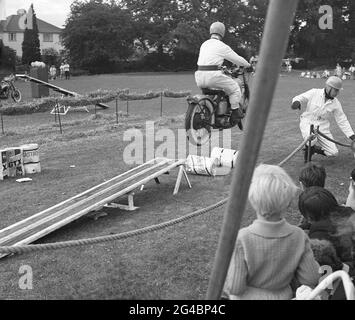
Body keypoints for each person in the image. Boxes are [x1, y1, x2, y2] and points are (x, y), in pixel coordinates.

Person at [222, 164, 320, 300]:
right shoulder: (299, 236)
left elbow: (235, 287)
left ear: (252, 199)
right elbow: (311, 278)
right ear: (287, 202)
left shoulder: (243, 238)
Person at [195, 21, 251, 124]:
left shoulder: (204, 44)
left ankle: (215, 110)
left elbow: (208, 60)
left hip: (199, 76)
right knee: (234, 88)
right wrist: (248, 65)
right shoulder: (221, 46)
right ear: (222, 33)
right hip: (212, 75)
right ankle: (235, 114)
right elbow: (237, 59)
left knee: (217, 89)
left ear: (211, 31)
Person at [291, 76, 355, 161]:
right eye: (335, 90)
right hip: (308, 121)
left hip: (322, 126)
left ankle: (313, 150)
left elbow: (342, 120)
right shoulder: (314, 92)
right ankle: (307, 162)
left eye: (338, 90)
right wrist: (296, 102)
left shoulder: (336, 103)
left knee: (333, 153)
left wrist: (352, 136)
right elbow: (300, 97)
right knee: (312, 138)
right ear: (328, 87)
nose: (337, 93)